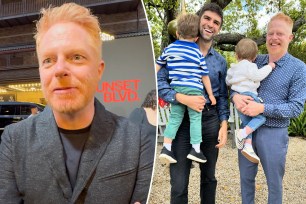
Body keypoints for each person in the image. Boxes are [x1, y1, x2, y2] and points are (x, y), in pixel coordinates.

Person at [0, 3, 153, 204]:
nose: (59, 69)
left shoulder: (137, 140)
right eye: (48, 60)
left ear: (99, 70)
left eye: (76, 57)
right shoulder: (14, 140)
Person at [158, 3, 229, 203]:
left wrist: (224, 124)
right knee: (179, 184)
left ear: (219, 28)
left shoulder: (220, 61)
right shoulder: (174, 51)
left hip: (208, 122)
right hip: (181, 123)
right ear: (198, 21)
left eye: (216, 22)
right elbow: (160, 81)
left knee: (209, 178)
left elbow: (223, 96)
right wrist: (181, 98)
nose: (210, 25)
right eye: (206, 18)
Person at [232, 13, 306, 204]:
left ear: (290, 37)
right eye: (270, 33)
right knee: (246, 180)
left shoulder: (299, 68)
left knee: (274, 183)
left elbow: (296, 107)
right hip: (247, 132)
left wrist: (262, 108)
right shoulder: (254, 60)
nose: (274, 37)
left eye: (279, 33)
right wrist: (235, 96)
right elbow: (234, 83)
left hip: (274, 133)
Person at [156, 13, 216, 164]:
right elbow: (205, 76)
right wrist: (211, 95)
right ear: (196, 38)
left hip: (177, 88)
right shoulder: (197, 52)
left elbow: (157, 66)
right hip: (194, 90)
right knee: (195, 119)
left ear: (177, 33)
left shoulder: (169, 49)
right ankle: (195, 149)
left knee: (174, 118)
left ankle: (166, 148)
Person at [226, 38, 275, 163]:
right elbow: (257, 76)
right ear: (254, 57)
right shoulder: (250, 66)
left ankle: (248, 146)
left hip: (239, 99)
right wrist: (269, 66)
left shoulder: (232, 68)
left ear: (236, 55)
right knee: (261, 118)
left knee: (248, 124)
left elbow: (227, 81)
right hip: (249, 96)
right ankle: (241, 134)